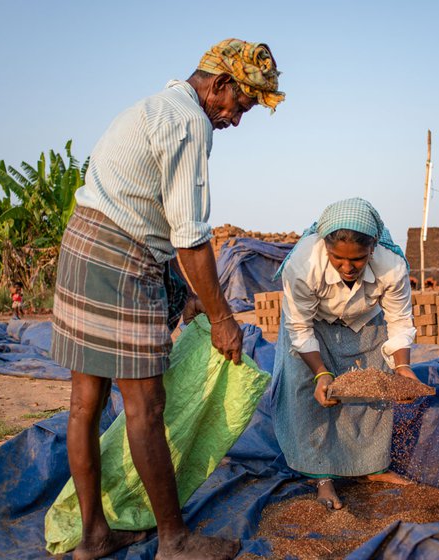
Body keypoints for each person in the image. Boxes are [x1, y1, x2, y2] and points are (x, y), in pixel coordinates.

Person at [50, 39, 284, 560]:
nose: (237, 120)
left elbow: (153, 212)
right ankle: (174, 540)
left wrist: (184, 295)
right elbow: (190, 238)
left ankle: (94, 536)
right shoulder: (189, 125)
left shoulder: (159, 105)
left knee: (84, 405)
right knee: (146, 407)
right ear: (220, 85)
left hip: (83, 245)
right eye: (240, 106)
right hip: (118, 261)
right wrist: (223, 317)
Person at [272, 198, 417, 510]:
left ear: (373, 249)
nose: (348, 267)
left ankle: (371, 467)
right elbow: (299, 327)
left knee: (374, 389)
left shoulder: (391, 266)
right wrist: (322, 373)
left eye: (358, 259)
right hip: (311, 326)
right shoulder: (303, 266)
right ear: (325, 247)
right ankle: (323, 477)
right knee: (311, 393)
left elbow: (400, 320)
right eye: (338, 258)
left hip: (363, 321)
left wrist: (402, 368)